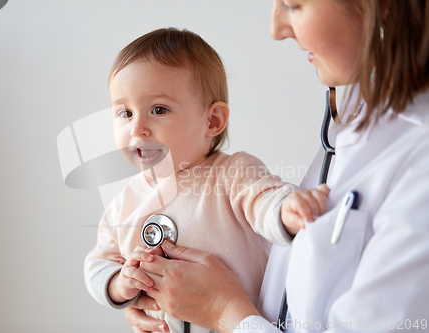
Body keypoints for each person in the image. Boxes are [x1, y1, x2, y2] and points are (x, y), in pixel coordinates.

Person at [125, 1, 429, 332]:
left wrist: (221, 310)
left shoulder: (417, 157)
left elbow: (271, 208)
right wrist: (144, 290)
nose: (276, 29)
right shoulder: (352, 123)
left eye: (293, 4)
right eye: (124, 113)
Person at [84, 27, 330, 333]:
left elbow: (265, 200)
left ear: (212, 121)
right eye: (125, 113)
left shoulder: (233, 173)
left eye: (158, 109)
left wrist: (288, 210)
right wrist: (119, 286)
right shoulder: (125, 201)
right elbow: (98, 264)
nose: (137, 128)